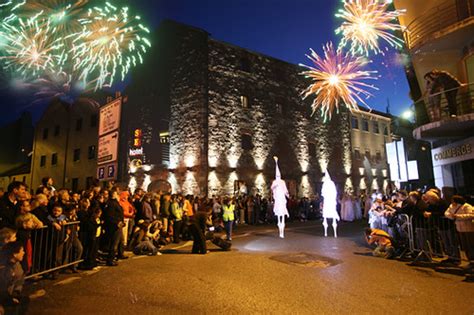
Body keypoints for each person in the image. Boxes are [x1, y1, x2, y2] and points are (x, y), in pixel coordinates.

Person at [445, 195, 474, 271]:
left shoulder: (467, 206)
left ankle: (472, 261)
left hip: (468, 228)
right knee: (465, 246)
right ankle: (470, 261)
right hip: (460, 228)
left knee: (470, 245)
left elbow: (471, 215)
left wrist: (458, 216)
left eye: (453, 201)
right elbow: (447, 213)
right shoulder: (452, 206)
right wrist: (452, 216)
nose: (452, 202)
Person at [102, 189, 125, 266]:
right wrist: (117, 222)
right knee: (114, 243)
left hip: (118, 224)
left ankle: (118, 255)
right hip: (115, 226)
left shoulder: (114, 203)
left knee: (120, 240)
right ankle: (110, 259)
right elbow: (110, 215)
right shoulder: (111, 204)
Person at [0, 242, 25, 307]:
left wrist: (15, 294)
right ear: (14, 254)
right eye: (22, 251)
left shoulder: (17, 266)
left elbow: (19, 280)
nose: (24, 253)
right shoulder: (3, 269)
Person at [271, 156, 289, 238]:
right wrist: (275, 187)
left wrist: (287, 194)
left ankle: (282, 232)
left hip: (281, 198)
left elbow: (285, 189)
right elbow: (272, 188)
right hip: (278, 198)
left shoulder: (282, 182)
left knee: (283, 213)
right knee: (278, 214)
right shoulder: (275, 182)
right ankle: (280, 231)